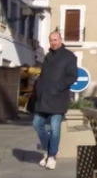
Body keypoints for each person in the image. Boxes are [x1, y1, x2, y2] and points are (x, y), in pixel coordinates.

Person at [33, 31, 79, 170]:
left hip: (58, 98)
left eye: (55, 39)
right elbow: (43, 76)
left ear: (60, 40)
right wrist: (39, 89)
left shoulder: (69, 56)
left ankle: (52, 156)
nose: (53, 42)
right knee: (37, 124)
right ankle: (48, 151)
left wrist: (58, 87)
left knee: (55, 129)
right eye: (51, 40)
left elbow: (72, 77)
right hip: (43, 99)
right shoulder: (47, 56)